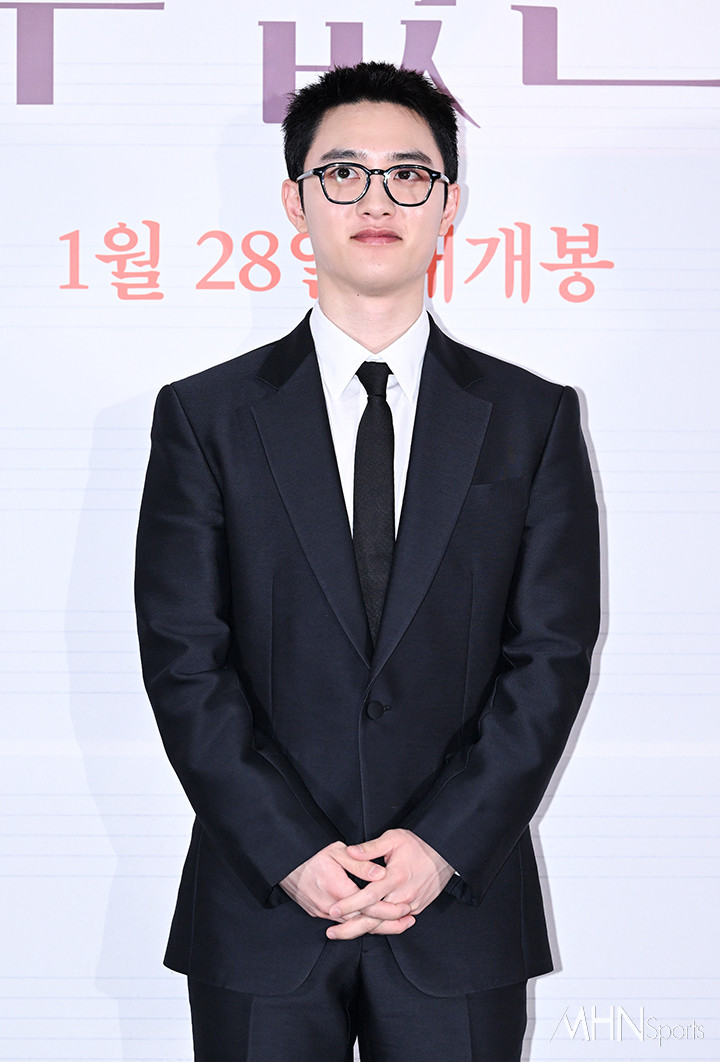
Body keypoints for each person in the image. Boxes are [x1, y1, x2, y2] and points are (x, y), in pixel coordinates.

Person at [135, 61, 600, 1062]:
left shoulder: (531, 419)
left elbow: (551, 655)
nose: (376, 200)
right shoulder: (206, 417)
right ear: (295, 202)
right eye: (343, 173)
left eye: (408, 174)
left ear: (450, 204)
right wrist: (289, 850)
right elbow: (182, 658)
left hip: (459, 910)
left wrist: (442, 845)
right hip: (260, 909)